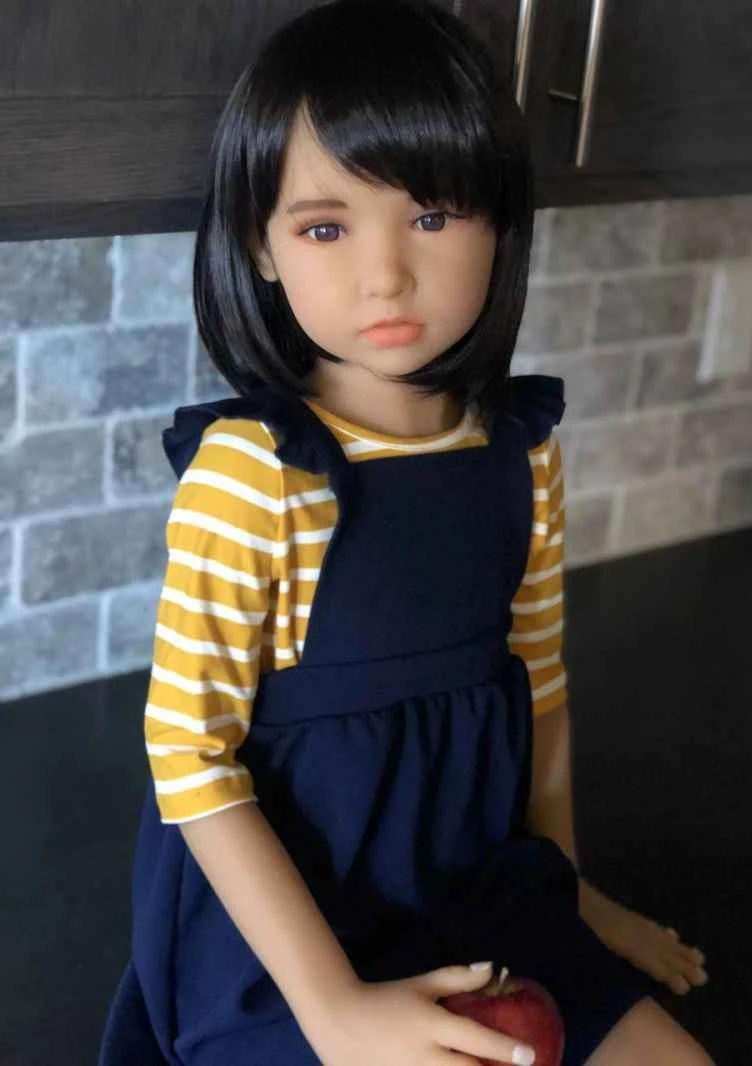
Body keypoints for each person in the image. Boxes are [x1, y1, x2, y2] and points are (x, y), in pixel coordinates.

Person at [100, 2, 712, 1064]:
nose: (384, 274)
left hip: (484, 890)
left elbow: (538, 687)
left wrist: (567, 893)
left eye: (431, 215)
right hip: (294, 942)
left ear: (497, 221)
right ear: (259, 244)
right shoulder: (255, 475)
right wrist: (334, 1007)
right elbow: (188, 754)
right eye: (324, 226)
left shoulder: (522, 452)